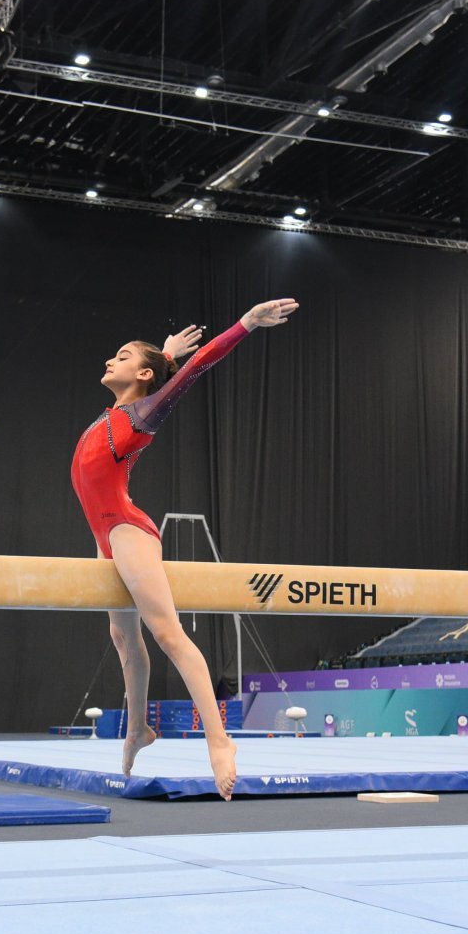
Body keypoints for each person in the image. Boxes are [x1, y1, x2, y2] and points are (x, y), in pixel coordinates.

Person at [72, 298, 299, 800]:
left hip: (127, 531)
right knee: (125, 643)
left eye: (124, 355)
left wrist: (243, 325)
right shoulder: (114, 412)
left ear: (145, 375)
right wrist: (163, 356)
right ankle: (137, 730)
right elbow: (166, 366)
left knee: (168, 634)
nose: (112, 359)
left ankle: (220, 741)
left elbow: (198, 367)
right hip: (103, 537)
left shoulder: (141, 415)